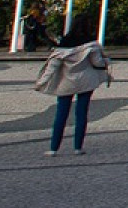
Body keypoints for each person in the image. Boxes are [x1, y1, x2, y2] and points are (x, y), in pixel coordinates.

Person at [35, 23, 112, 156]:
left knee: (61, 114)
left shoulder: (63, 45)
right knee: (82, 113)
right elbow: (98, 63)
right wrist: (106, 61)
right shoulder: (91, 45)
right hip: (86, 81)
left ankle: (54, 148)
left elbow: (51, 68)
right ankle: (78, 147)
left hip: (66, 82)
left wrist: (40, 83)